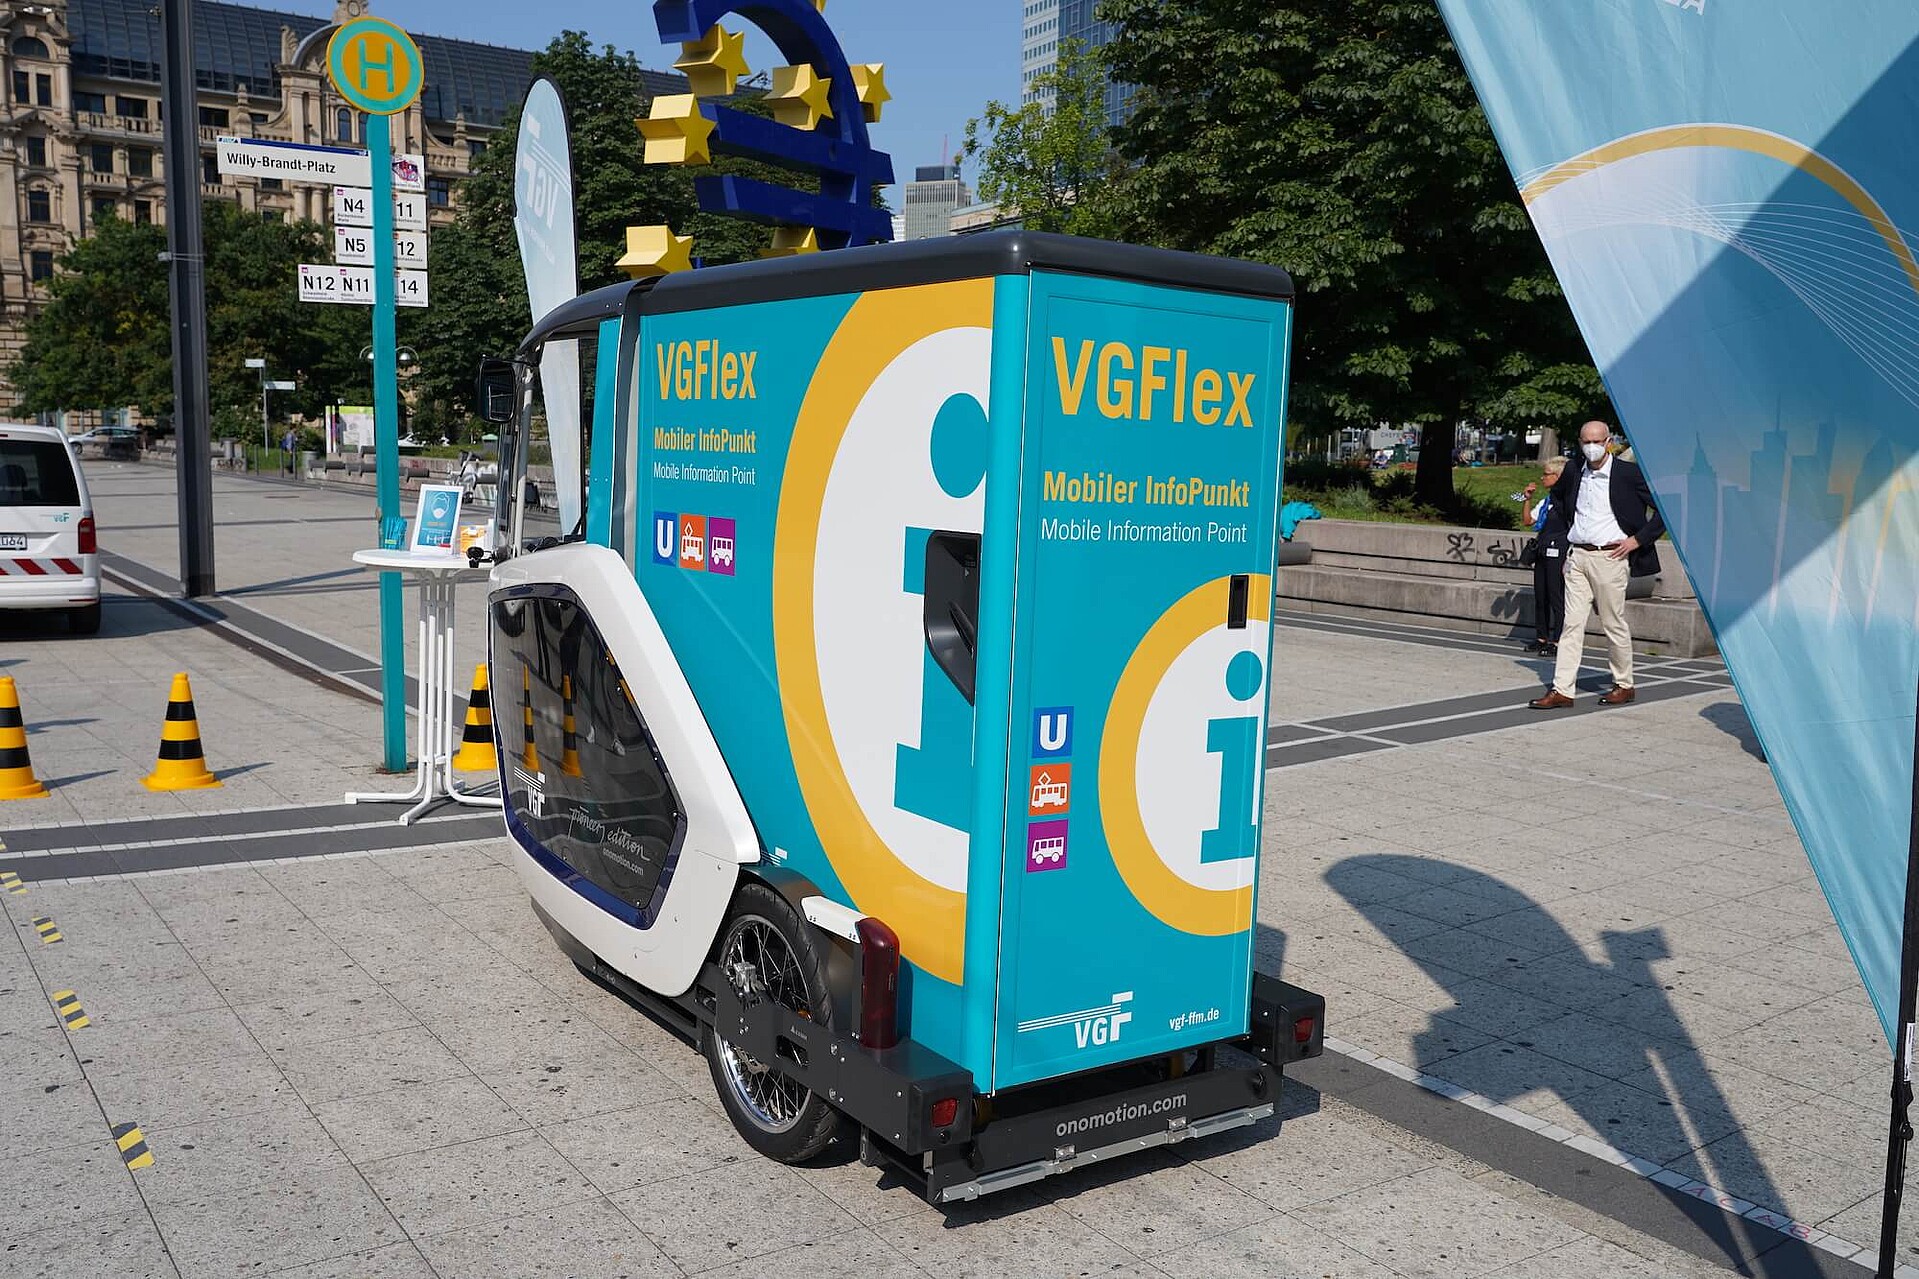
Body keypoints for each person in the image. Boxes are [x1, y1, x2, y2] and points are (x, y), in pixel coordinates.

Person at [1527, 421, 1665, 709]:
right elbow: (1561, 501)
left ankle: (1624, 683)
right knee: (1570, 624)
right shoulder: (1574, 470)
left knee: (1613, 622)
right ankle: (1562, 689)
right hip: (1578, 556)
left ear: (1608, 441)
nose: (1592, 447)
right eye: (1586, 441)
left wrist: (1636, 541)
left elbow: (1663, 512)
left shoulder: (1628, 474)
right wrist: (1569, 538)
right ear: (1579, 442)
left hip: (1610, 558)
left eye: (1597, 441)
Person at [1520, 456, 1568, 655]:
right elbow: (1527, 521)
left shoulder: (1567, 501)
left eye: (1546, 474)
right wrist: (1526, 499)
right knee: (1541, 596)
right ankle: (1541, 637)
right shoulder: (1546, 501)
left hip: (1559, 552)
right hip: (1542, 550)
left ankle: (1557, 641)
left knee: (1556, 596)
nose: (1542, 478)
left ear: (1557, 477)